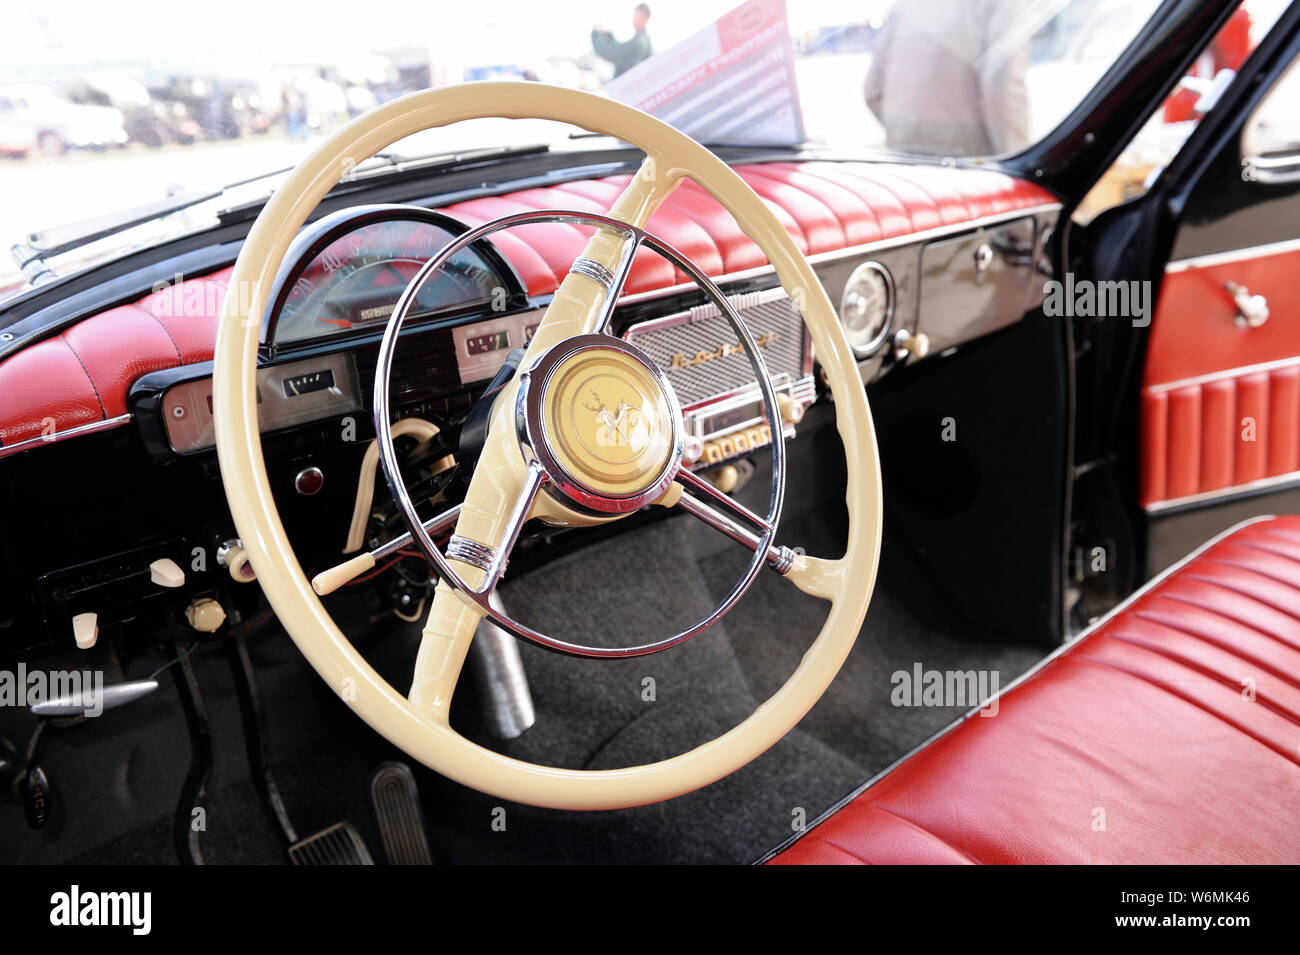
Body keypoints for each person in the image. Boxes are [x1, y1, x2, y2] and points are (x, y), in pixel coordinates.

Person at [864, 0, 1030, 157]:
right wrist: (1018, 159)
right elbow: (1003, 89)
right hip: (969, 154)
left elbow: (873, 89)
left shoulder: (906, 5)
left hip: (903, 148)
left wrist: (903, 129)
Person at [592, 4, 654, 79]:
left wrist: (597, 33)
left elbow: (611, 53)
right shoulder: (645, 41)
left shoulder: (639, 42)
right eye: (634, 15)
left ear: (646, 18)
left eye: (638, 15)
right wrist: (608, 35)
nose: (634, 18)